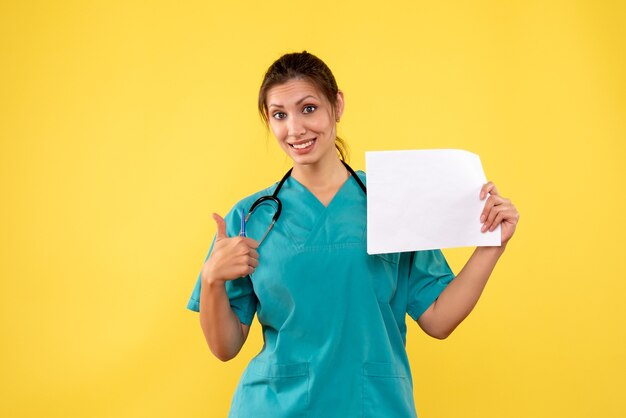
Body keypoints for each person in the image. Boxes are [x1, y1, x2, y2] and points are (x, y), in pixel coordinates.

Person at [187, 51, 520, 418]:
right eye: (280, 114)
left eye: (308, 108)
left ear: (337, 105)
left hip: (372, 405)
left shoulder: (392, 200)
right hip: (274, 407)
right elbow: (225, 347)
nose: (295, 128)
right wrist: (211, 279)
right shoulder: (251, 217)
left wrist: (492, 246)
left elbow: (439, 320)